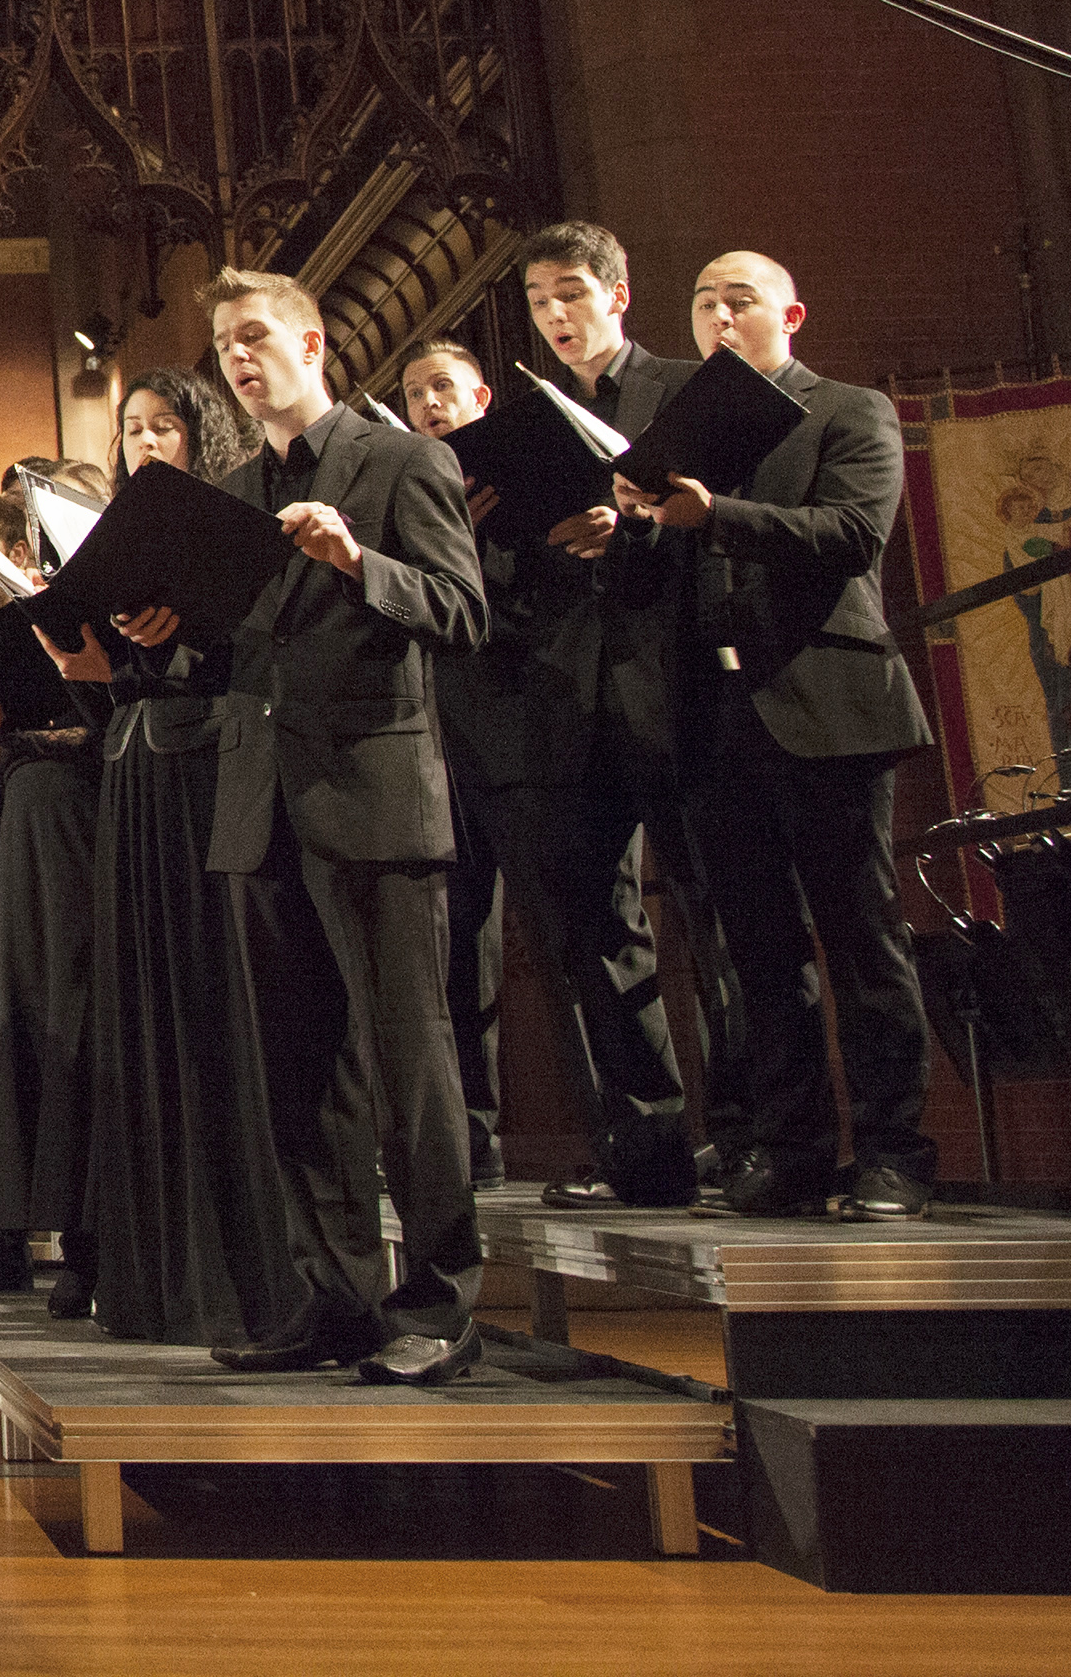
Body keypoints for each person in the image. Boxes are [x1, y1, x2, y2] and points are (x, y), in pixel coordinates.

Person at [199, 268, 492, 1387]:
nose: (239, 356)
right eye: (226, 342)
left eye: (257, 335)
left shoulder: (403, 459)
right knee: (297, 1074)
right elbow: (227, 648)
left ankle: (440, 1307)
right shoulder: (227, 490)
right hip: (259, 802)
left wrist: (355, 563)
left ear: (313, 341)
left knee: (409, 1067)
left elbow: (462, 610)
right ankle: (332, 1299)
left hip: (372, 796)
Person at [647, 252, 939, 1220]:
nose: (720, 316)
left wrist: (714, 512)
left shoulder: (850, 410)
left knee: (861, 936)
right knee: (760, 952)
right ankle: (796, 1151)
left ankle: (895, 1153)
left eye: (741, 301)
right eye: (703, 304)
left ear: (793, 314)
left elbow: (853, 532)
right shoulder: (685, 434)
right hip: (718, 718)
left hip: (824, 704)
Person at [56, 373, 292, 1347]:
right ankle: (150, 1280)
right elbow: (118, 690)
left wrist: (186, 629)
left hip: (204, 777)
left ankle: (233, 1280)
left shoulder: (235, 516)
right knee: (142, 1019)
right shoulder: (114, 533)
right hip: (134, 783)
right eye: (133, 430)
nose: (147, 442)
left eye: (165, 427)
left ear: (205, 435)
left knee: (210, 1015)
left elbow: (259, 651)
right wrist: (92, 674)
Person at [477, 221, 709, 1209]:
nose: (556, 317)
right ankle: (644, 1140)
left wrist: (640, 522)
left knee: (715, 914)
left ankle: (748, 1137)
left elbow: (730, 532)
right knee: (595, 924)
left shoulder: (686, 391)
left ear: (618, 292)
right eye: (537, 303)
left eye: (570, 294)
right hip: (569, 693)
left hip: (676, 682)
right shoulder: (534, 419)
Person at [0, 488, 101, 1314]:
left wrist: (5, 742)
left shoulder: (48, 629)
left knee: (53, 1038)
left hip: (41, 855)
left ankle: (82, 1243)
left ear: (19, 553)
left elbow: (88, 729)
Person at [395, 340, 520, 1186]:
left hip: (527, 730)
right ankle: (471, 1132)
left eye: (444, 389)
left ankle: (635, 1142)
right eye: (415, 396)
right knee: (456, 948)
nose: (430, 405)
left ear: (480, 395)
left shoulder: (518, 480)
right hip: (439, 740)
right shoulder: (406, 485)